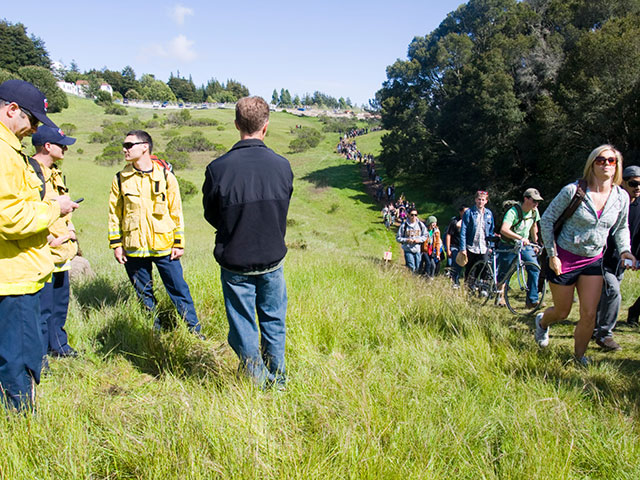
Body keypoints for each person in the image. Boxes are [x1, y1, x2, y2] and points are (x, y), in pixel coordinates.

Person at [202, 96, 293, 388]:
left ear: (237, 124)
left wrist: (235, 230)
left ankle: (256, 381)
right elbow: (281, 210)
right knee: (274, 320)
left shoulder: (218, 169)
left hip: (236, 259)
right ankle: (276, 380)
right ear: (265, 127)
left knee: (242, 325)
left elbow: (211, 214)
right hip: (272, 258)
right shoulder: (282, 166)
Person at [0, 79, 78, 411]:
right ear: (11, 109)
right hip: (13, 276)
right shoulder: (3, 153)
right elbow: (10, 217)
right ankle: (21, 430)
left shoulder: (11, 150)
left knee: (22, 354)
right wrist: (53, 210)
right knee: (18, 361)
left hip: (21, 270)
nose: (33, 130)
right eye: (32, 120)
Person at [535, 145, 636, 365]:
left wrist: (625, 250)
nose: (606, 164)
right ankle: (543, 323)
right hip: (564, 257)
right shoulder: (573, 191)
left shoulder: (621, 197)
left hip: (593, 260)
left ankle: (579, 356)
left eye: (611, 161)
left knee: (589, 314)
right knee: (562, 311)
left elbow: (620, 228)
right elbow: (547, 220)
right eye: (601, 160)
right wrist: (552, 255)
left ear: (617, 166)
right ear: (592, 164)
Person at [108, 130, 202, 335]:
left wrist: (179, 242)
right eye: (124, 145)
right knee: (144, 295)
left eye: (129, 145)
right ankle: (155, 334)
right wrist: (116, 245)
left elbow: (176, 211)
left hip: (164, 245)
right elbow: (114, 214)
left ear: (145, 147)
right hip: (133, 247)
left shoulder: (166, 177)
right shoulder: (120, 178)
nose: (124, 149)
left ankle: (195, 332)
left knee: (179, 290)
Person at [32, 125, 79, 359]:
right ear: (47, 146)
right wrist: (51, 239)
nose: (66, 149)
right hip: (45, 251)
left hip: (63, 251)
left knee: (59, 306)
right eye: (62, 145)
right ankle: (40, 359)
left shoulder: (55, 173)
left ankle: (59, 347)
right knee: (43, 309)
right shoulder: (31, 173)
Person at [593, 166, 640, 349]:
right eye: (634, 183)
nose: (637, 187)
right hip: (601, 257)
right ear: (623, 183)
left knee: (605, 295)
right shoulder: (612, 202)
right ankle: (605, 334)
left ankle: (594, 328)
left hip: (622, 261)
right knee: (613, 292)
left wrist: (633, 256)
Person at [497, 188, 543, 308]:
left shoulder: (534, 212)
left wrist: (535, 242)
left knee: (534, 268)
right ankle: (500, 296)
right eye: (534, 201)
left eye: (538, 202)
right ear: (526, 199)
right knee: (505, 272)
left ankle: (532, 300)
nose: (536, 204)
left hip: (525, 245)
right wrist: (519, 238)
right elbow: (504, 229)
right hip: (509, 244)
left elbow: (534, 227)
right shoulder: (513, 212)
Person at [459, 190, 495, 280]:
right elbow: (463, 231)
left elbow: (491, 231)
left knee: (484, 270)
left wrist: (491, 246)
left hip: (484, 247)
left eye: (483, 200)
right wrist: (463, 248)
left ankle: (481, 290)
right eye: (479, 199)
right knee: (471, 270)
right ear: (475, 200)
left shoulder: (489, 214)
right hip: (471, 247)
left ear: (486, 201)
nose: (481, 202)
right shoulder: (469, 212)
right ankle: (469, 290)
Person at [624, 166, 640, 326]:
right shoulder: (616, 202)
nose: (638, 187)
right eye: (634, 183)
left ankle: (634, 312)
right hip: (615, 253)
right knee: (609, 289)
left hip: (636, 251)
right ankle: (598, 325)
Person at [445, 205, 468, 287]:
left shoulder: (470, 222)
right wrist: (448, 249)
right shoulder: (454, 222)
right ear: (460, 212)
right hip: (455, 246)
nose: (466, 214)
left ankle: (467, 282)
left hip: (466, 247)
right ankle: (455, 280)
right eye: (465, 212)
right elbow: (448, 235)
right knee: (456, 263)